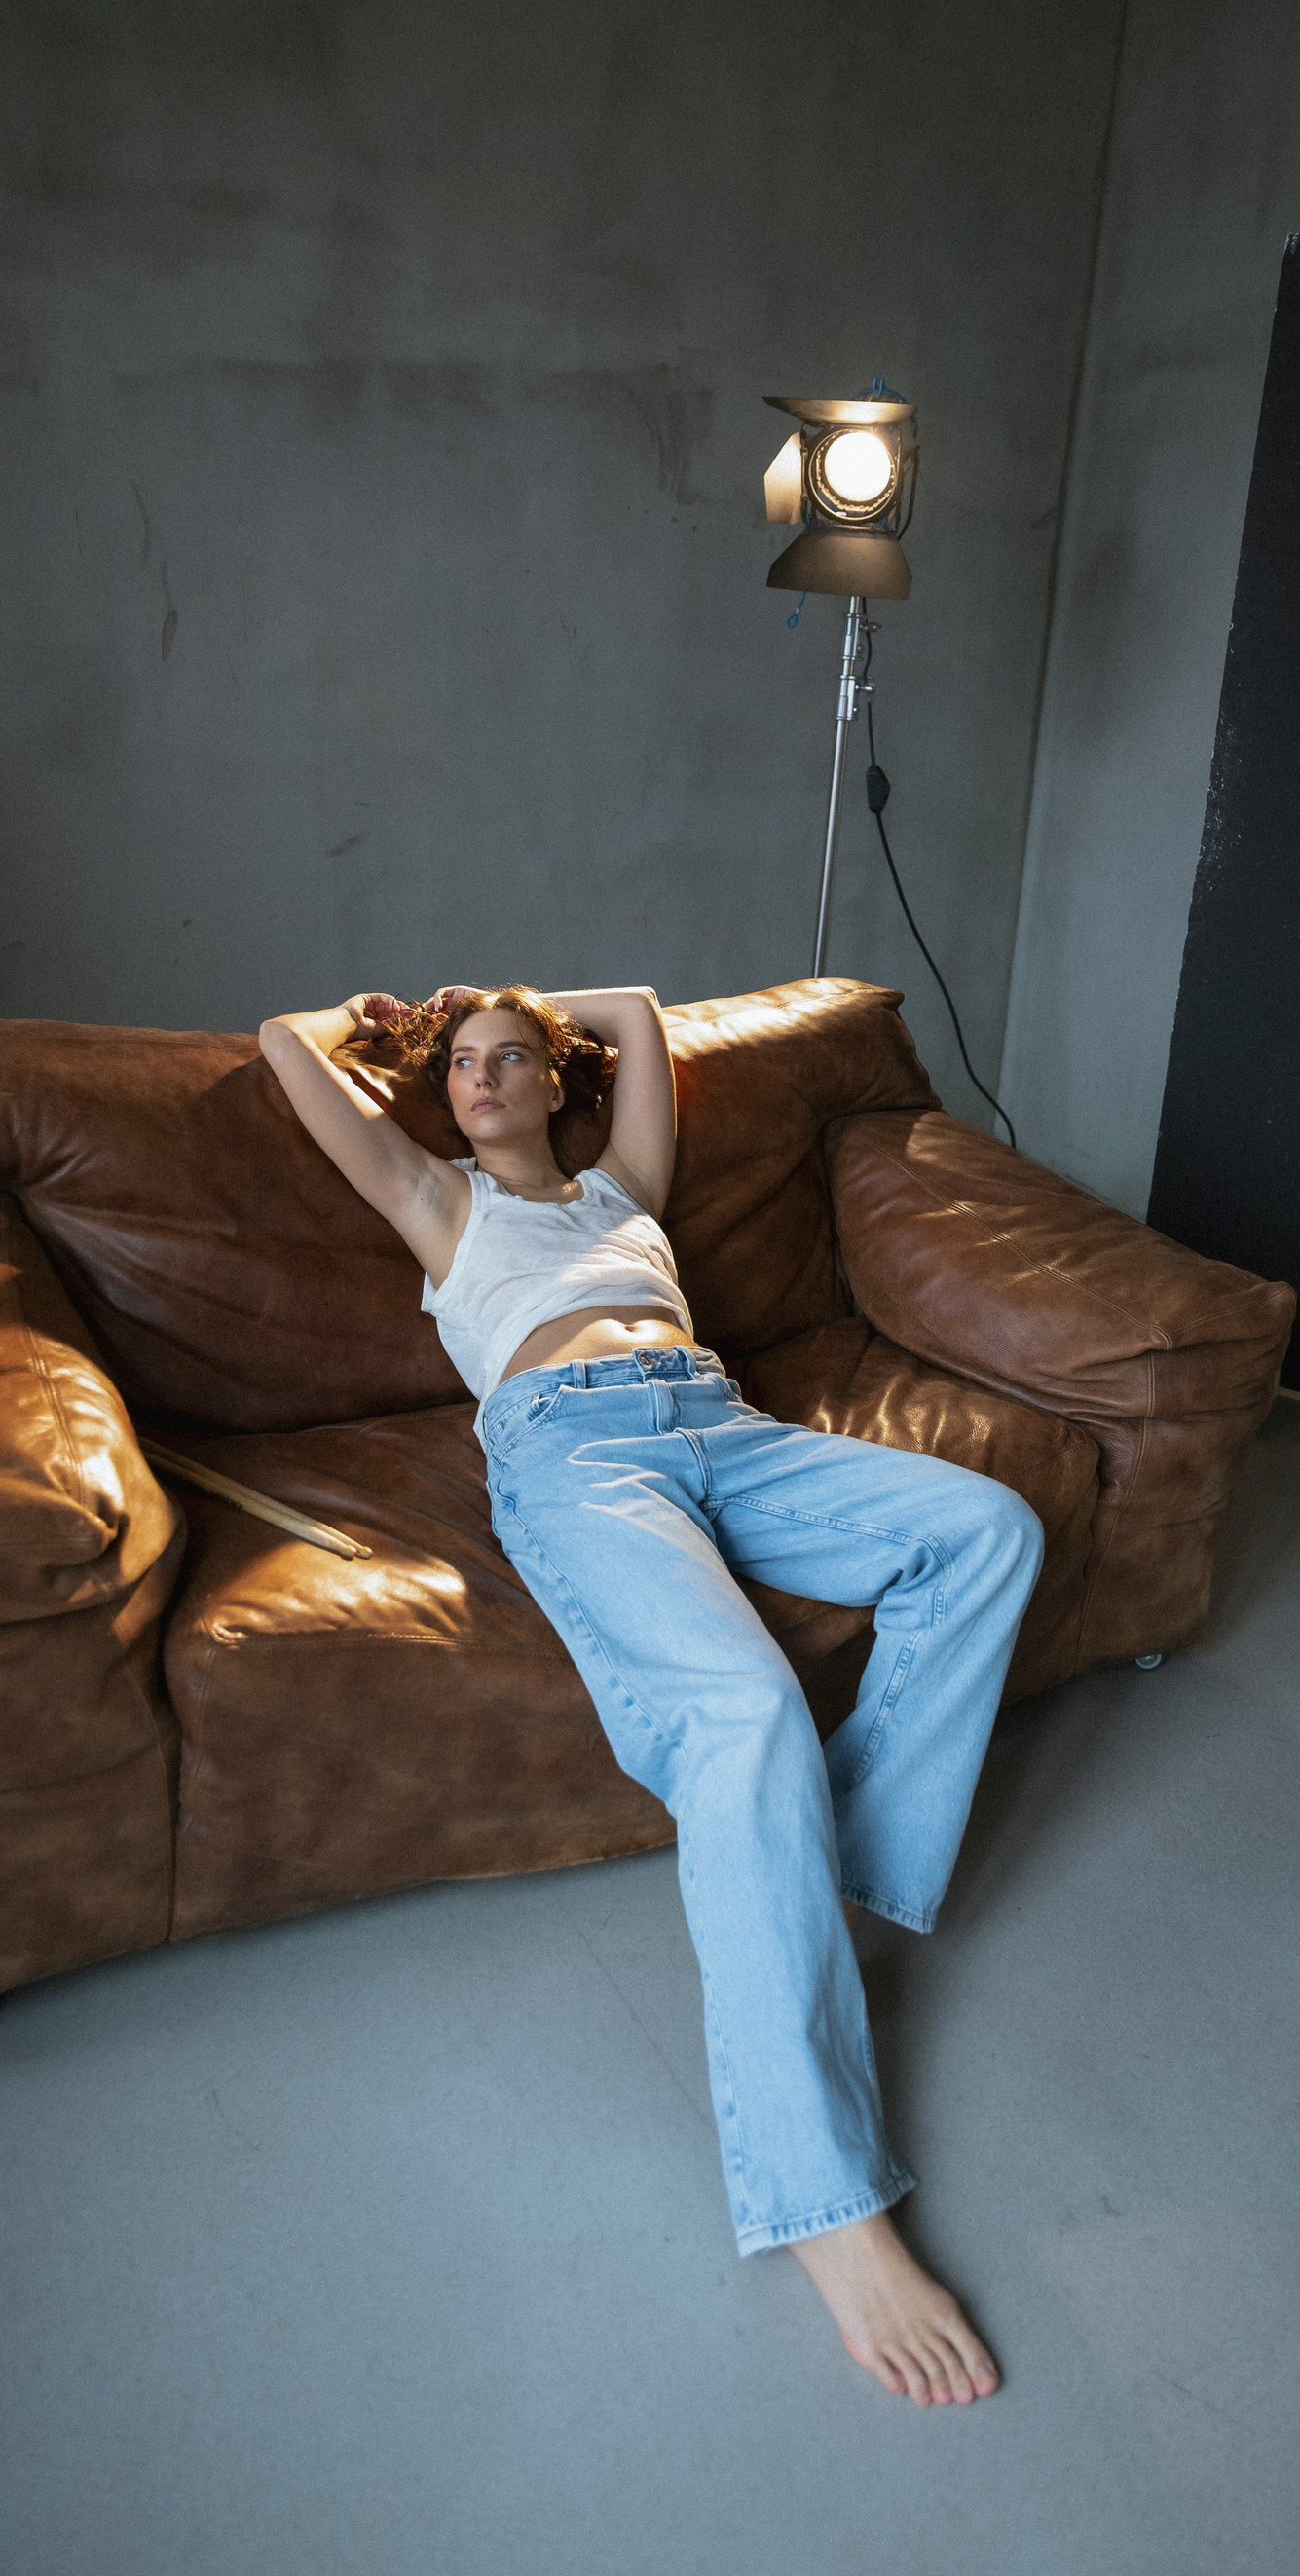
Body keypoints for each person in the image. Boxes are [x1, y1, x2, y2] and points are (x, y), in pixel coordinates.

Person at [258, 980, 1044, 2407]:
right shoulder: (439, 1203)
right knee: (746, 1716)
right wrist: (411, 1021)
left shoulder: (624, 1186)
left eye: (511, 1058)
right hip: (574, 1453)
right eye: (463, 1066)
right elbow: (277, 1048)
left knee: (987, 1531)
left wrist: (530, 1008)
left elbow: (633, 1010)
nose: (484, 1078)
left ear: (555, 1083)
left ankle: (817, 1880)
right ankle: (827, 2206)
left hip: (723, 1425)